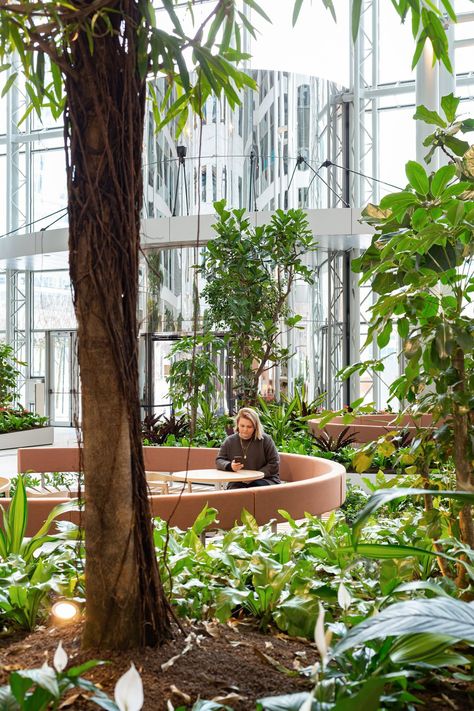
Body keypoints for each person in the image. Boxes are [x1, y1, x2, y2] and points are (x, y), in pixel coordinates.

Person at [216, 407, 280, 489]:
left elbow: (274, 463)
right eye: (242, 426)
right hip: (239, 480)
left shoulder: (265, 440)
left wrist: (256, 475)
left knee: (255, 488)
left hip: (265, 479)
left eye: (249, 427)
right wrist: (230, 466)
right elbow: (219, 460)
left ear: (255, 427)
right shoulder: (230, 441)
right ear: (237, 425)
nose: (245, 430)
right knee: (234, 491)